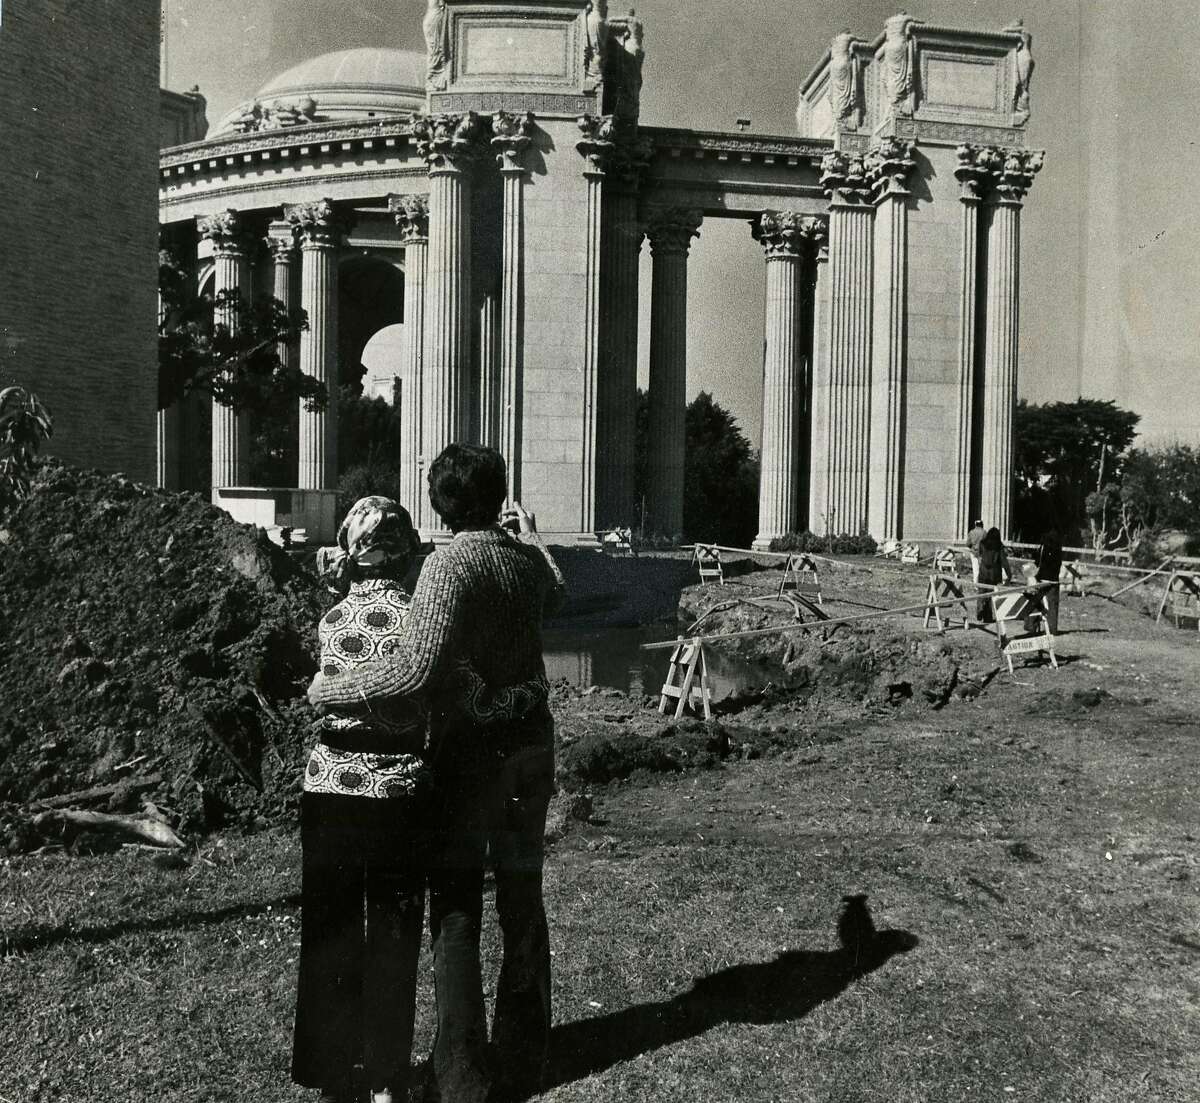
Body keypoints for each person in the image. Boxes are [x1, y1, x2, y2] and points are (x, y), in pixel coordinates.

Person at [308, 445, 565, 1103]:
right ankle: (525, 1051)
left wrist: (327, 690)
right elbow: (558, 595)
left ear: (437, 504)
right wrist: (529, 536)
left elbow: (411, 671)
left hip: (474, 754)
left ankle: (462, 1074)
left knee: (456, 907)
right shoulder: (523, 562)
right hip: (532, 744)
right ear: (500, 492)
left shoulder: (447, 565)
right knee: (521, 897)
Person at [975, 526, 1013, 622]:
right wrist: (1009, 574)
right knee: (990, 595)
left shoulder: (982, 543)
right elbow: (1004, 562)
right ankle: (988, 616)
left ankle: (980, 608)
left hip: (983, 572)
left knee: (981, 592)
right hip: (994, 574)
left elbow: (979, 556)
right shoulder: (998, 546)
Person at [1034, 528, 1063, 635]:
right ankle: (1053, 629)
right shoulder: (1058, 548)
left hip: (1042, 578)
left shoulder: (1043, 547)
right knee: (1053, 605)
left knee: (1037, 602)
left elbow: (1038, 562)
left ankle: (1033, 626)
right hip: (1054, 580)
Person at [965, 518, 986, 583]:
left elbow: (968, 544)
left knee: (975, 568)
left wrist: (972, 547)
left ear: (975, 525)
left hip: (974, 552)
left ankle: (976, 584)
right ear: (982, 524)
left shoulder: (971, 532)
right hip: (982, 553)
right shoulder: (984, 532)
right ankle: (982, 584)